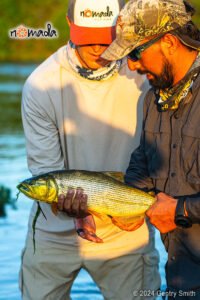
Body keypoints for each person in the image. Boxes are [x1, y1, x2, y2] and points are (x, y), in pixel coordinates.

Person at [19, 0, 160, 299]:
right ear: (71, 26)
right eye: (88, 38)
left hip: (127, 230)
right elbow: (46, 170)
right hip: (53, 233)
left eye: (106, 39)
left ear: (121, 29)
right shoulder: (40, 85)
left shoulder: (143, 75)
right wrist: (77, 212)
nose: (98, 48)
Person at [102, 0, 200, 298]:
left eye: (135, 52)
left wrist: (181, 209)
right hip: (182, 280)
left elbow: (176, 208)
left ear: (169, 42)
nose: (131, 65)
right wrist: (120, 205)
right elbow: (143, 162)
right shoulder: (151, 100)